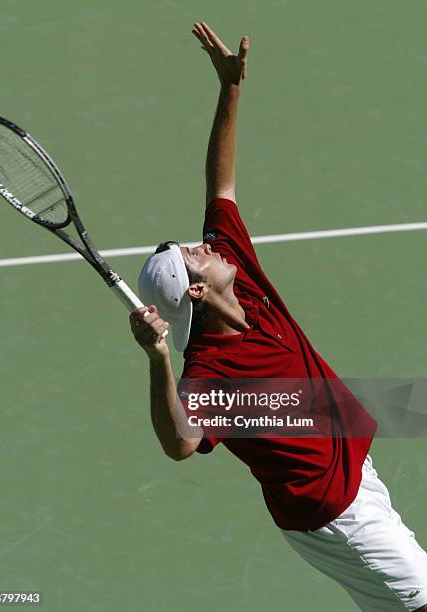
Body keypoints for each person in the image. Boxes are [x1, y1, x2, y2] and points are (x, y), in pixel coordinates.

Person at [130, 21, 427, 611]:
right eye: (195, 253)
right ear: (193, 292)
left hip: (355, 475)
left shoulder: (239, 273)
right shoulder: (213, 370)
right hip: (335, 514)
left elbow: (221, 184)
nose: (206, 245)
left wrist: (230, 88)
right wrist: (158, 357)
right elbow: (180, 445)